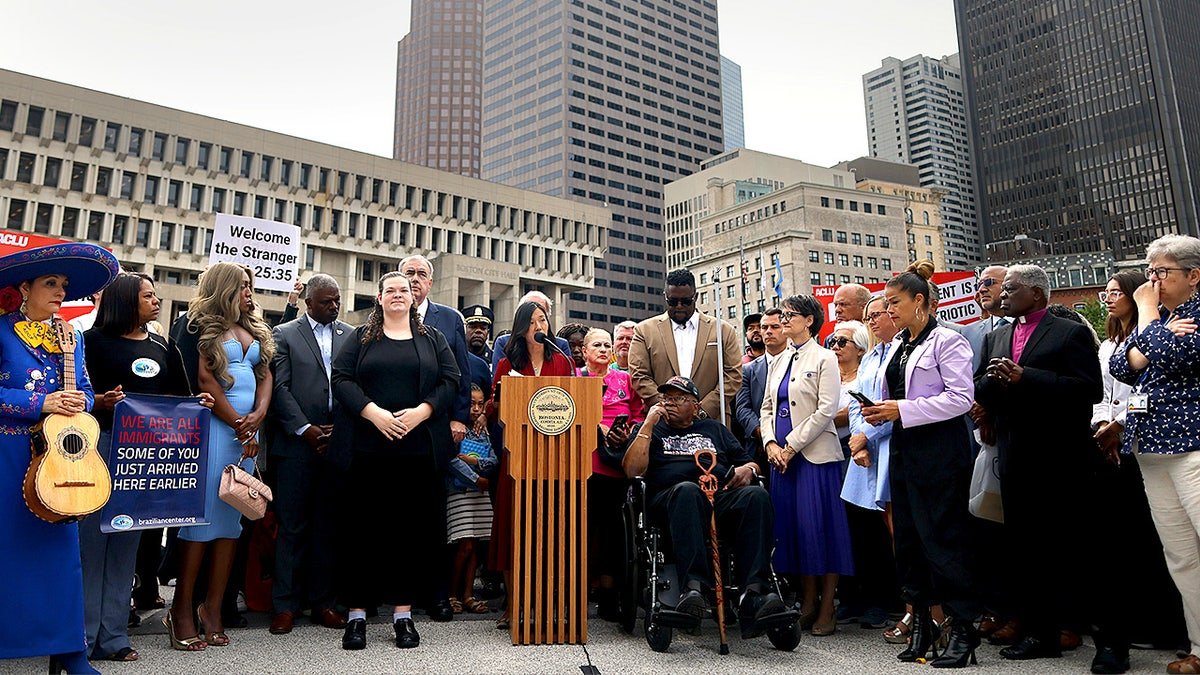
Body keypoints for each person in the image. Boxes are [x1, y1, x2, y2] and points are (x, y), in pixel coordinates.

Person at [80, 272, 212, 663]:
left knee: (126, 545)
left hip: (146, 461)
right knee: (91, 546)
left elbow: (180, 397)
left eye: (156, 295)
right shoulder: (89, 344)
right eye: (148, 296)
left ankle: (115, 636)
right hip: (101, 450)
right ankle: (83, 638)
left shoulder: (163, 346)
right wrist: (100, 402)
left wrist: (197, 404)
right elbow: (76, 396)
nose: (156, 302)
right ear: (124, 300)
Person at [974, 264, 1101, 663]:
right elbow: (979, 386)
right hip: (1013, 455)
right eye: (1003, 289)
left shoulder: (1069, 332)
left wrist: (1026, 377)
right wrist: (990, 389)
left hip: (1058, 456)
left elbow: (1088, 391)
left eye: (1012, 289)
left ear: (1038, 295)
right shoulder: (997, 336)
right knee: (1022, 547)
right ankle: (1033, 629)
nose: (1003, 295)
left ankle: (1061, 629)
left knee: (1059, 548)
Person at [0, 242, 116, 675]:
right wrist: (41, 402)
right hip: (7, 453)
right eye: (51, 283)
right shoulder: (0, 331)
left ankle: (71, 652)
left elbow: (85, 392)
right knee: (7, 551)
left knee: (62, 555)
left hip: (59, 460)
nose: (60, 292)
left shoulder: (72, 337)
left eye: (64, 285)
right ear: (24, 287)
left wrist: (77, 402)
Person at [331, 271, 460, 650]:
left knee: (408, 533)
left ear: (413, 297)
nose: (398, 295)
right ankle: (356, 617)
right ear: (380, 297)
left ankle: (403, 615)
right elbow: (341, 378)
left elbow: (450, 381)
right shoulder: (361, 338)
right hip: (366, 450)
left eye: (404, 290)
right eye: (391, 290)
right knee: (363, 533)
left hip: (416, 450)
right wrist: (372, 412)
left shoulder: (432, 339)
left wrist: (423, 411)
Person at [862, 260, 981, 668]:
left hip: (940, 449)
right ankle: (922, 627)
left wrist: (903, 409)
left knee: (943, 539)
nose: (889, 310)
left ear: (920, 301)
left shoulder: (949, 341)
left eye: (895, 302)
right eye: (885, 303)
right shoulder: (900, 345)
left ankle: (963, 628)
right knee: (909, 541)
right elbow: (894, 392)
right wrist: (880, 412)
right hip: (903, 448)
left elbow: (961, 398)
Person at [622, 375, 788, 639]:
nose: (670, 403)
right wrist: (649, 424)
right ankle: (694, 588)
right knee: (687, 491)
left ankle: (753, 593)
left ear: (696, 406)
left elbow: (750, 463)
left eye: (678, 398)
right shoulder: (652, 429)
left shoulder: (715, 429)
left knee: (755, 496)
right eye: (667, 398)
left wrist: (748, 468)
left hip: (718, 496)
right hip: (671, 502)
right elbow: (632, 470)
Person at [169, 262, 275, 651]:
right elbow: (204, 380)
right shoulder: (198, 325)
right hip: (215, 431)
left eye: (251, 285)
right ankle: (181, 609)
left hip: (248, 432)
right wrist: (238, 423)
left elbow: (266, 375)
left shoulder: (256, 328)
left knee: (233, 519)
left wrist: (259, 416)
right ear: (225, 287)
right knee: (201, 520)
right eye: (243, 285)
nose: (250, 291)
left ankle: (211, 609)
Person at [1110, 234, 1200, 675]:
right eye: (1149, 273)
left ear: (1193, 275)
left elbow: (1176, 355)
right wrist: (1156, 331)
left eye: (1161, 273)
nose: (1152, 282)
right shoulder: (1165, 319)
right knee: (1182, 556)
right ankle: (1199, 647)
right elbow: (1121, 366)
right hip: (1151, 449)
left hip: (1192, 448)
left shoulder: (1192, 314)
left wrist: (1149, 321)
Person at [760, 294, 852, 637]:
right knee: (794, 533)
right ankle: (807, 602)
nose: (784, 320)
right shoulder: (779, 360)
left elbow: (827, 410)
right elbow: (767, 406)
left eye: (790, 315)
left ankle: (828, 606)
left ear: (809, 320)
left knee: (821, 531)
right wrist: (770, 443)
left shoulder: (825, 357)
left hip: (812, 457)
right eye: (782, 314)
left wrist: (790, 445)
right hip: (781, 462)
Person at [267, 273, 351, 636]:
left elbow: (352, 384)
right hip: (297, 445)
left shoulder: (350, 335)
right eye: (327, 301)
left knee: (327, 526)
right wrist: (306, 429)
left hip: (337, 443)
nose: (334, 306)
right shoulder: (284, 334)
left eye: (336, 301)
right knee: (292, 527)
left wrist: (340, 429)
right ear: (308, 302)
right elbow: (280, 388)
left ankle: (323, 603)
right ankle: (285, 605)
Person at [487, 300, 575, 630]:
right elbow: (494, 414)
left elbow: (575, 405)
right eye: (535, 321)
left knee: (552, 532)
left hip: (555, 458)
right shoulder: (508, 362)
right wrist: (500, 395)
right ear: (523, 327)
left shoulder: (562, 361)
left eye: (544, 320)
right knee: (514, 530)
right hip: (518, 458)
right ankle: (514, 604)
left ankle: (553, 602)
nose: (541, 326)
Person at [399, 255, 473, 622]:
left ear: (431, 282)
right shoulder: (384, 314)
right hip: (394, 431)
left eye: (421, 274)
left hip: (436, 430)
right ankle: (398, 595)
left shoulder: (449, 319)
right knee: (398, 516)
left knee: (434, 516)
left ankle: (437, 595)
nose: (414, 279)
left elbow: (459, 373)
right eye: (408, 273)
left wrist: (459, 418)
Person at [842, 295, 903, 638]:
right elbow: (857, 402)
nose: (874, 320)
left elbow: (893, 402)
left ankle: (900, 601)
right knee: (867, 528)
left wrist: (863, 436)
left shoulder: (901, 351)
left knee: (894, 532)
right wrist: (857, 439)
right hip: (865, 451)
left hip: (891, 445)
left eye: (879, 314)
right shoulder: (870, 359)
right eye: (869, 316)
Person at [576, 327, 642, 621]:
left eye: (606, 345)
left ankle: (609, 595)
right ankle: (577, 592)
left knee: (613, 532)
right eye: (597, 346)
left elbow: (640, 414)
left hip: (615, 464)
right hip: (582, 464)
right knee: (583, 530)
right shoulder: (575, 378)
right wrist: (595, 427)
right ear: (585, 351)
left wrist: (626, 432)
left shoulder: (624, 380)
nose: (603, 350)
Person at [628, 269, 742, 426]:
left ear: (696, 297)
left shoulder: (722, 330)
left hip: (711, 420)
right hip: (662, 422)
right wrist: (669, 407)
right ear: (665, 297)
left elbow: (733, 375)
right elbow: (639, 375)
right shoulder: (644, 330)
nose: (679, 307)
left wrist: (702, 409)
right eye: (673, 302)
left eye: (686, 301)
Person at [445, 384, 495, 615]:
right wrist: (475, 478)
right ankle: (451, 593)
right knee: (463, 543)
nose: (475, 408)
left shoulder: (482, 430)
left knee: (475, 544)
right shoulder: (454, 427)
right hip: (460, 491)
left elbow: (493, 459)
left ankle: (467, 595)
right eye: (470, 403)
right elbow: (451, 459)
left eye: (479, 403)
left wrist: (476, 464)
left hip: (481, 493)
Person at [734, 308, 788, 475]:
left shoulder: (801, 363)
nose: (767, 332)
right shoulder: (747, 370)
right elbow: (742, 408)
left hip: (796, 445)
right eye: (764, 328)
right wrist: (765, 436)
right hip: (758, 448)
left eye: (775, 327)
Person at [490, 291, 571, 373]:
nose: (538, 327)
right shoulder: (504, 346)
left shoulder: (562, 354)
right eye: (531, 321)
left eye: (542, 319)